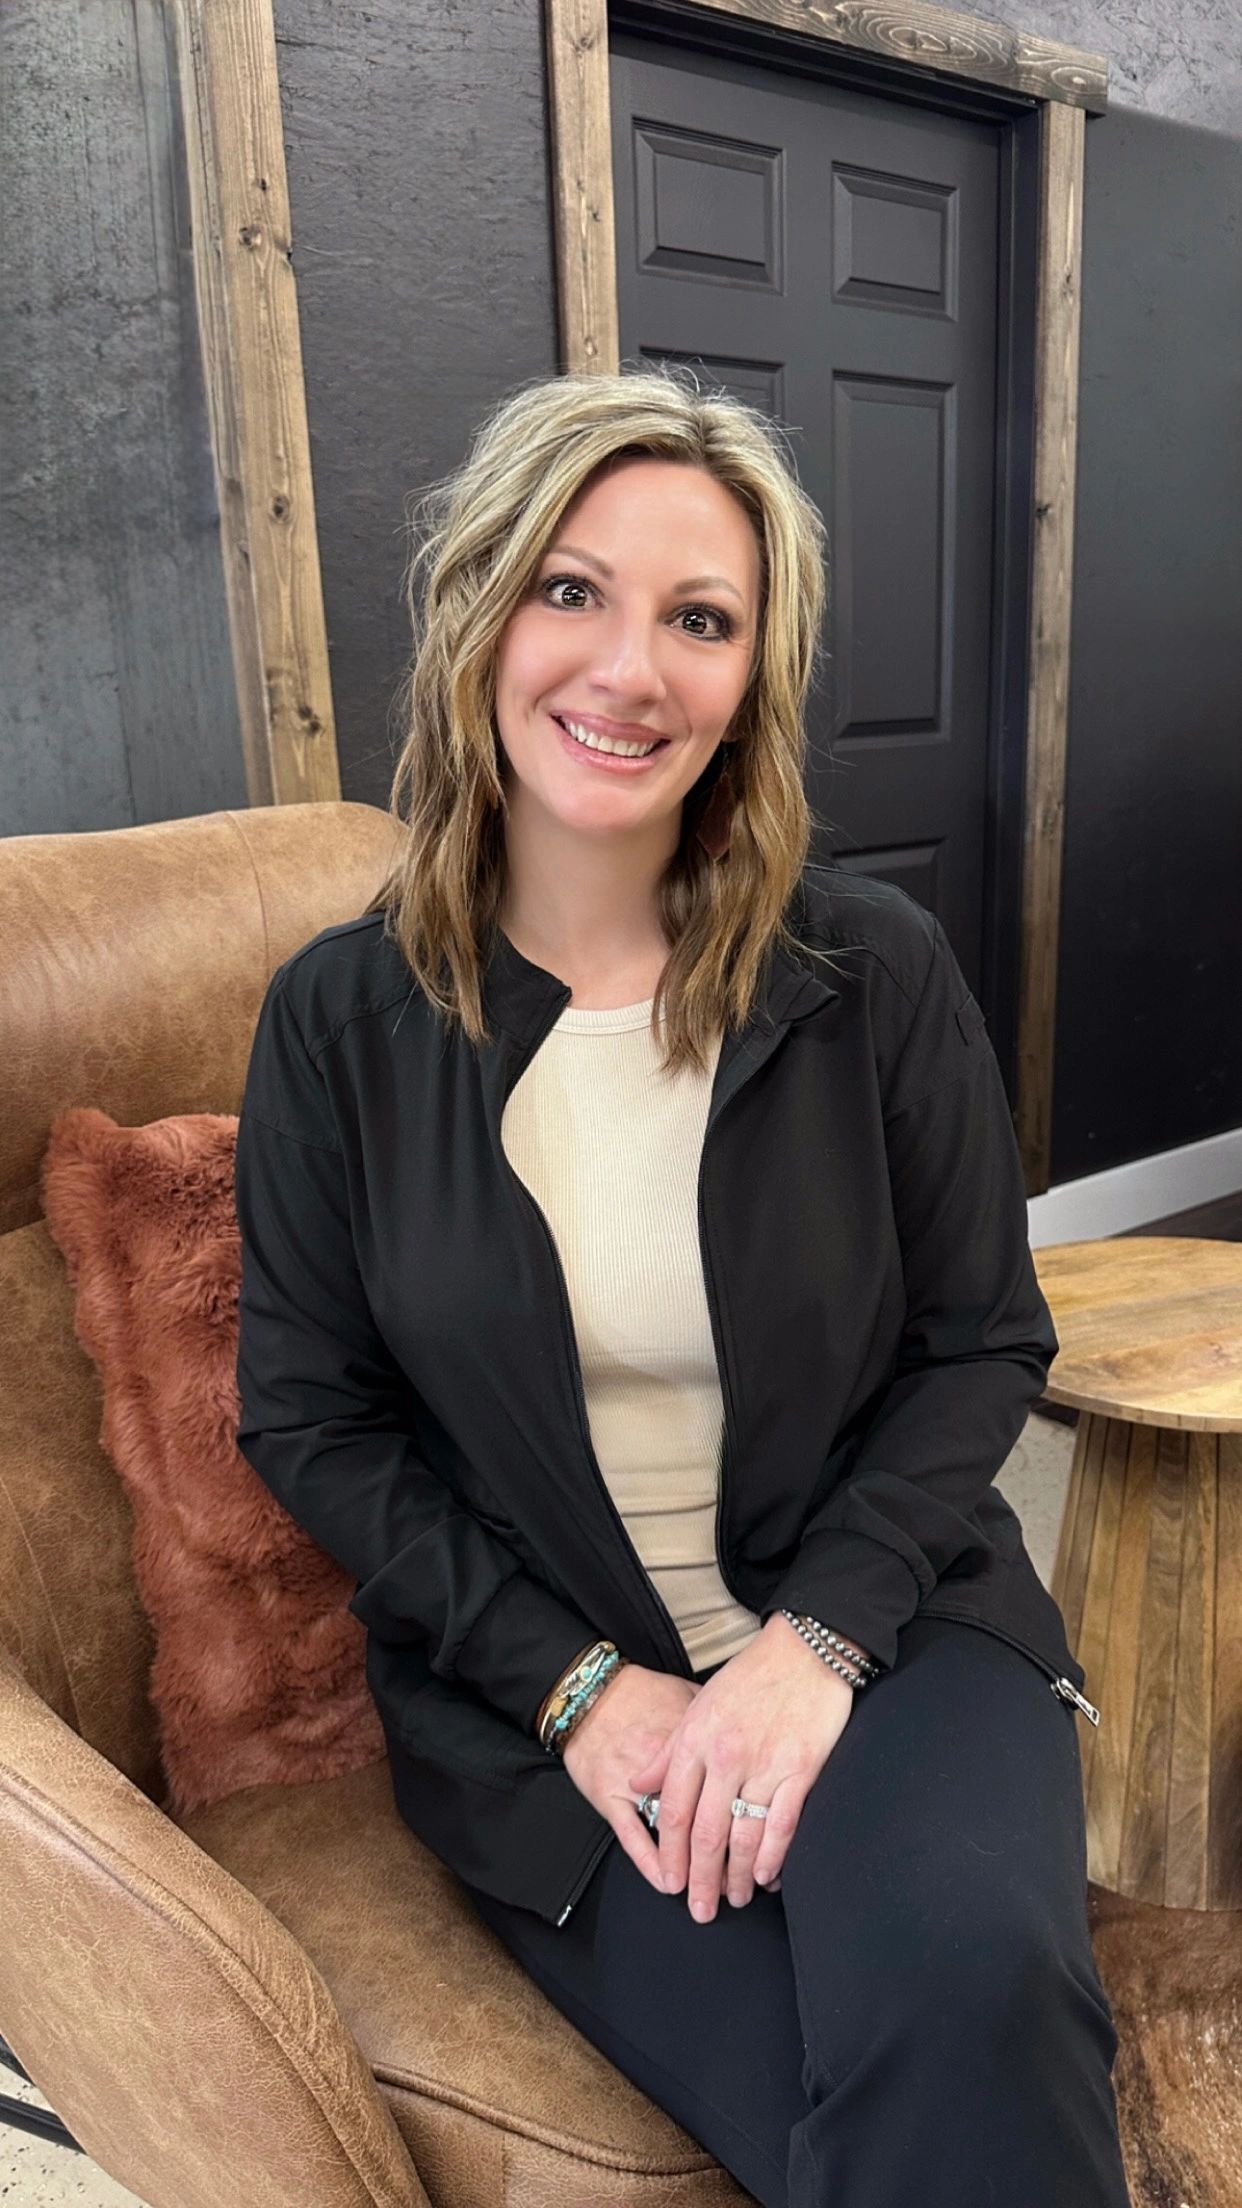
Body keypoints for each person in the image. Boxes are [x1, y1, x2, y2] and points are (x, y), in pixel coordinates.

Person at [233, 365, 1134, 2207]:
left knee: (971, 1996)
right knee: (835, 2110)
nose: (628, 668)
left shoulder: (867, 968)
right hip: (544, 1701)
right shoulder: (339, 1021)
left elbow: (980, 1343)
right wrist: (579, 1692)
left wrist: (810, 1653)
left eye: (698, 618)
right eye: (571, 589)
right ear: (480, 611)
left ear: (750, 683)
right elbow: (311, 1420)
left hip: (887, 1634)